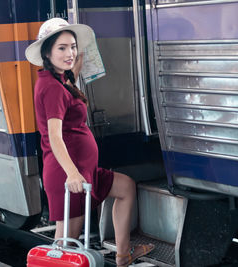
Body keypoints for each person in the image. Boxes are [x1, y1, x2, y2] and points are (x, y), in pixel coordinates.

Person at [25, 18, 154, 267]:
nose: (70, 53)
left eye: (72, 46)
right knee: (64, 245)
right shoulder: (51, 87)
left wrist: (81, 47)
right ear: (47, 53)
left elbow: (75, 64)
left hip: (85, 171)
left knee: (125, 187)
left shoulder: (63, 79)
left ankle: (123, 255)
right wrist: (72, 173)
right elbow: (54, 136)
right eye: (62, 48)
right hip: (68, 173)